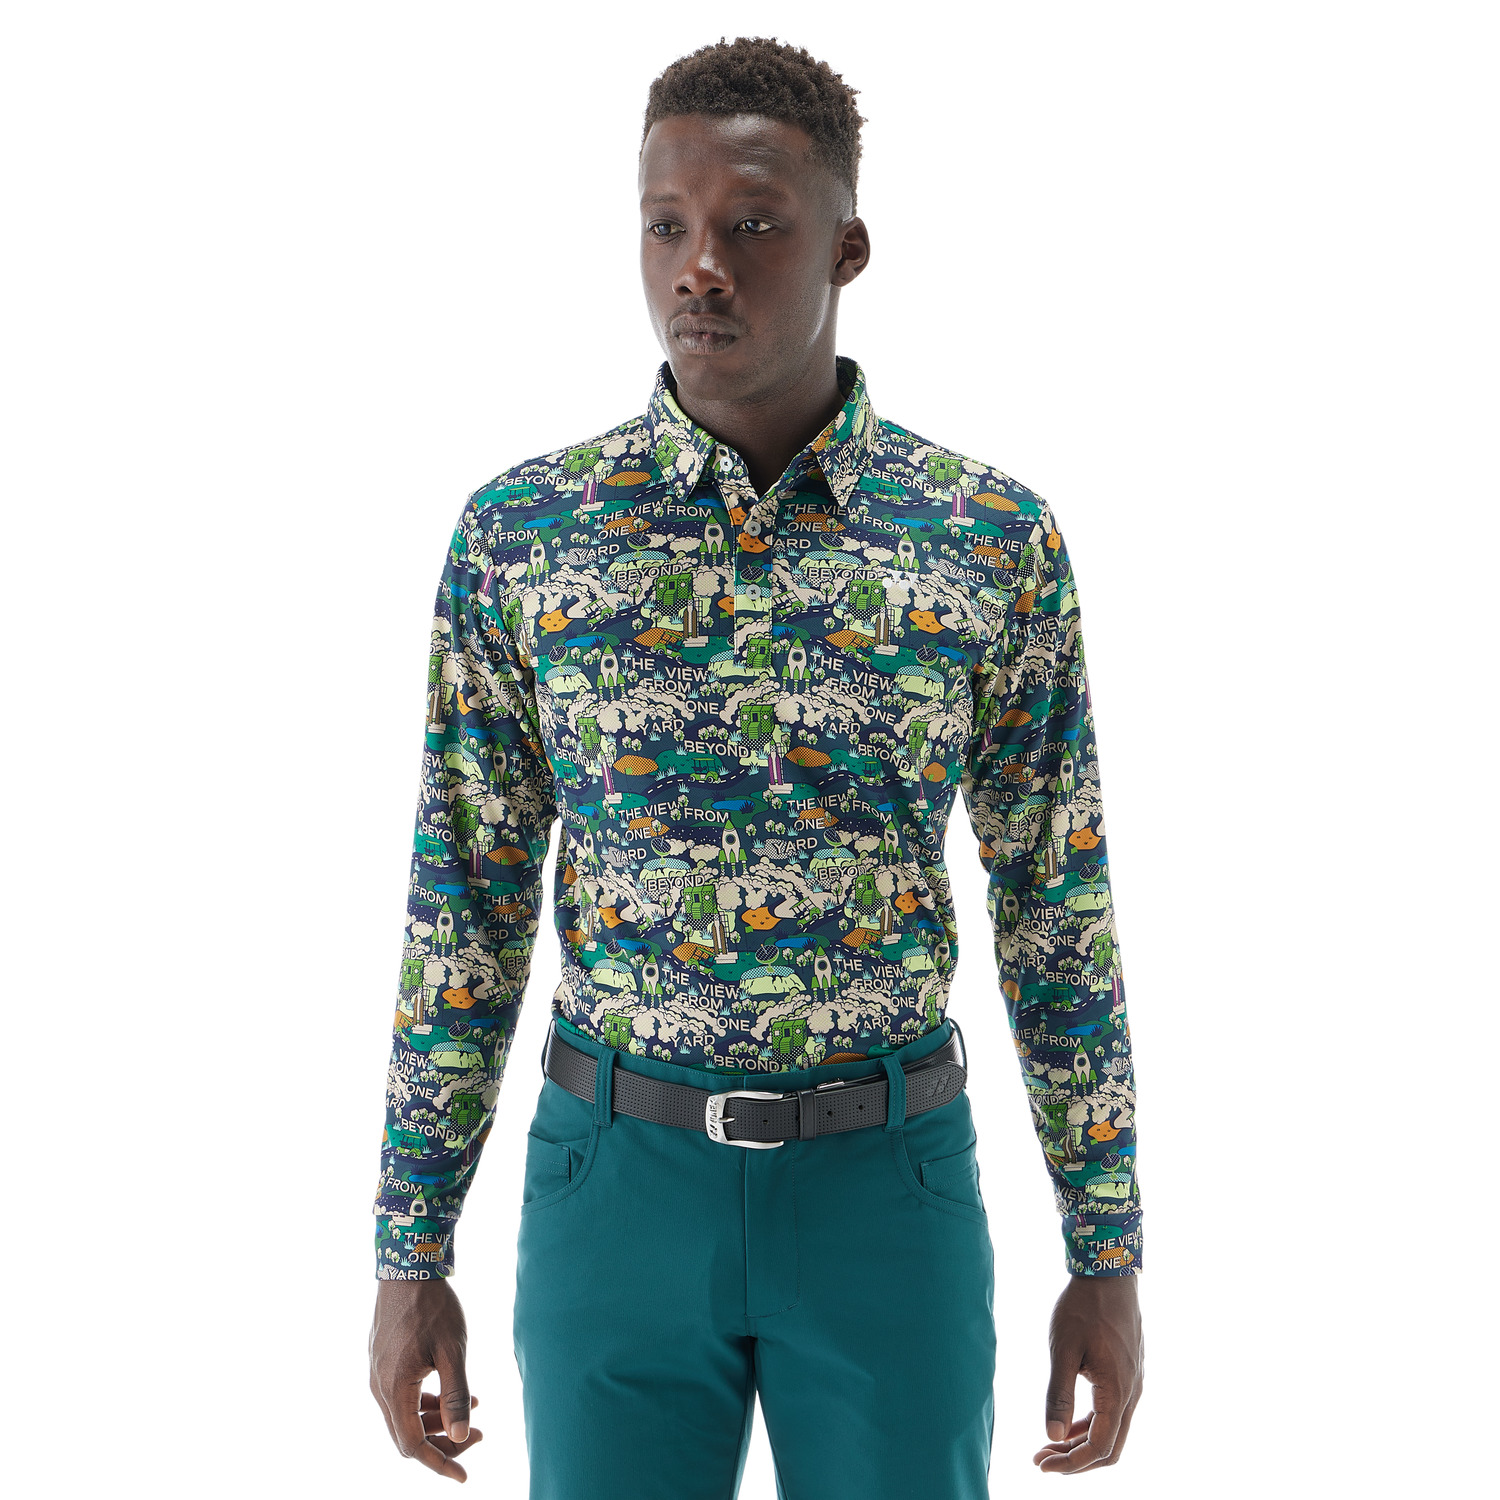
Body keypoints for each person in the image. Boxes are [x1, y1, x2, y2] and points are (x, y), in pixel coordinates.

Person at [368, 35, 1144, 1497]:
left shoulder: (988, 543)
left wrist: (1105, 1250)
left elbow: (1059, 906)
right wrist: (412, 1250)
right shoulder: (524, 539)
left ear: (848, 247)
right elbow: (462, 902)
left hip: (885, 1190)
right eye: (666, 226)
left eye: (753, 225)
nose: (700, 269)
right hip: (615, 1186)